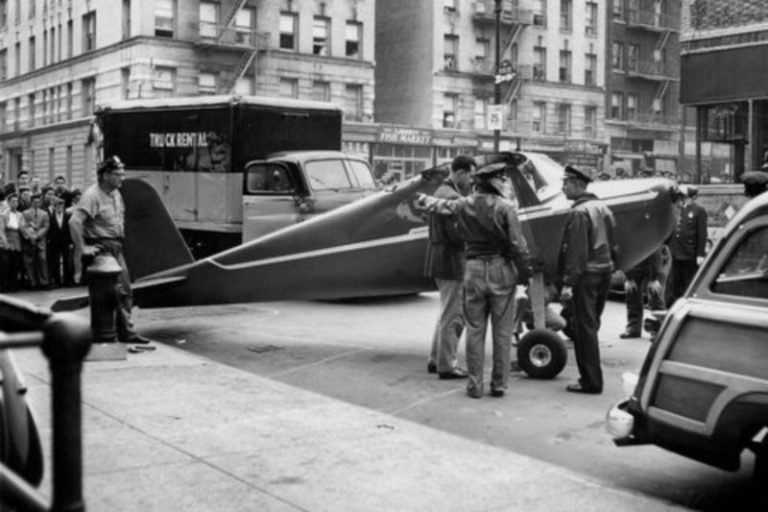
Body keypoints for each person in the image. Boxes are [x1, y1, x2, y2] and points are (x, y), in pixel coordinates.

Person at [418, 162, 533, 398]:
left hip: (472, 269)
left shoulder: (463, 204)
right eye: (501, 180)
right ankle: (499, 385)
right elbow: (517, 245)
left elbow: (440, 205)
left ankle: (474, 386)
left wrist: (424, 200)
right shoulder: (506, 207)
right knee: (502, 333)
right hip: (501, 270)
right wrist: (525, 272)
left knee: (474, 330)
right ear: (492, 182)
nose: (504, 183)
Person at [69, 155, 152, 345]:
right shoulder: (93, 195)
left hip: (115, 246)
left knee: (125, 292)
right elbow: (74, 221)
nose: (122, 178)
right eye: (117, 175)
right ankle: (113, 334)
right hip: (102, 248)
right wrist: (83, 248)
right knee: (114, 293)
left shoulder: (115, 193)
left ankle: (124, 332)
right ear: (105, 175)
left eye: (123, 174)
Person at [557, 165, 617, 395]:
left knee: (584, 329)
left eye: (566, 184)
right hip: (605, 272)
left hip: (587, 276)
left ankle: (590, 381)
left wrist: (568, 284)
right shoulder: (603, 207)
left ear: (577, 185)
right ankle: (591, 378)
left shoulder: (578, 213)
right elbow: (615, 244)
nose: (563, 189)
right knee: (591, 325)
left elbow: (576, 253)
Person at [424, 155, 475, 379]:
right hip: (452, 259)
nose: (472, 180)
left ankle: (436, 360)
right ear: (461, 173)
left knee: (445, 312)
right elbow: (458, 234)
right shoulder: (452, 197)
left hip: (440, 257)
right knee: (453, 315)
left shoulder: (441, 192)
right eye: (470, 174)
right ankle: (447, 365)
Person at [667, 185, 707, 305]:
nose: (684, 199)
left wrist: (700, 253)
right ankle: (675, 303)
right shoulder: (677, 208)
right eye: (683, 197)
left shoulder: (698, 210)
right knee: (675, 282)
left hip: (689, 252)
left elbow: (702, 233)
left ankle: (688, 303)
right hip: (676, 251)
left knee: (688, 282)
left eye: (686, 196)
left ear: (692, 197)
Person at [619, 248, 664, 339]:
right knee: (631, 292)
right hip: (635, 262)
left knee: (655, 292)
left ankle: (659, 329)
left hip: (654, 260)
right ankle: (633, 327)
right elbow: (625, 252)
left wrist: (654, 278)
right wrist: (629, 278)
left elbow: (655, 251)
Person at [21, 194, 50, 289]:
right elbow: (24, 226)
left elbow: (46, 226)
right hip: (29, 241)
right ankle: (32, 282)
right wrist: (31, 236)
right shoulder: (25, 213)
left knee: (42, 260)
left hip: (40, 241)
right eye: (34, 202)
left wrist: (37, 236)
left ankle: (43, 282)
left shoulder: (44, 214)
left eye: (38, 202)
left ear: (40, 203)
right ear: (31, 202)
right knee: (30, 261)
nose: (36, 204)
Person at [47, 197, 73, 287]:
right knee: (55, 262)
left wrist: (71, 242)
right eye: (58, 206)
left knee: (67, 261)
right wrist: (49, 240)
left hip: (65, 242)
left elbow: (70, 230)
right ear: (54, 207)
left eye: (62, 206)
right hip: (54, 242)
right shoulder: (50, 217)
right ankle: (57, 281)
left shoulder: (68, 216)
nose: (60, 208)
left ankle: (67, 281)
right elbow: (49, 230)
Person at [2, 193, 26, 291]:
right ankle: (4, 285)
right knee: (5, 265)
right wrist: (5, 242)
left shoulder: (20, 215)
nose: (15, 204)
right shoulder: (3, 215)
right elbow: (1, 230)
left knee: (15, 265)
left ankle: (13, 285)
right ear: (8, 203)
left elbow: (23, 229)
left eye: (16, 201)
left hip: (17, 242)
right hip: (7, 241)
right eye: (13, 202)